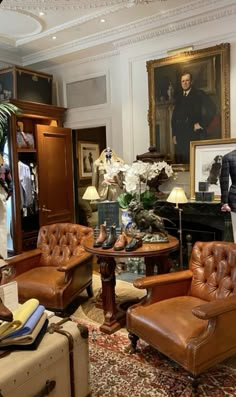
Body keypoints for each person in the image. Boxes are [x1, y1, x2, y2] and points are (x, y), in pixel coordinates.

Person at [171, 72, 217, 164]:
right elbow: (174, 117)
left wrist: (201, 124)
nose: (185, 83)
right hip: (180, 135)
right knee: (181, 163)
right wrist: (174, 134)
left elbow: (212, 108)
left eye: (187, 80)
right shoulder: (179, 97)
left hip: (194, 134)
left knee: (194, 162)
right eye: (182, 81)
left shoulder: (199, 94)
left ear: (191, 81)